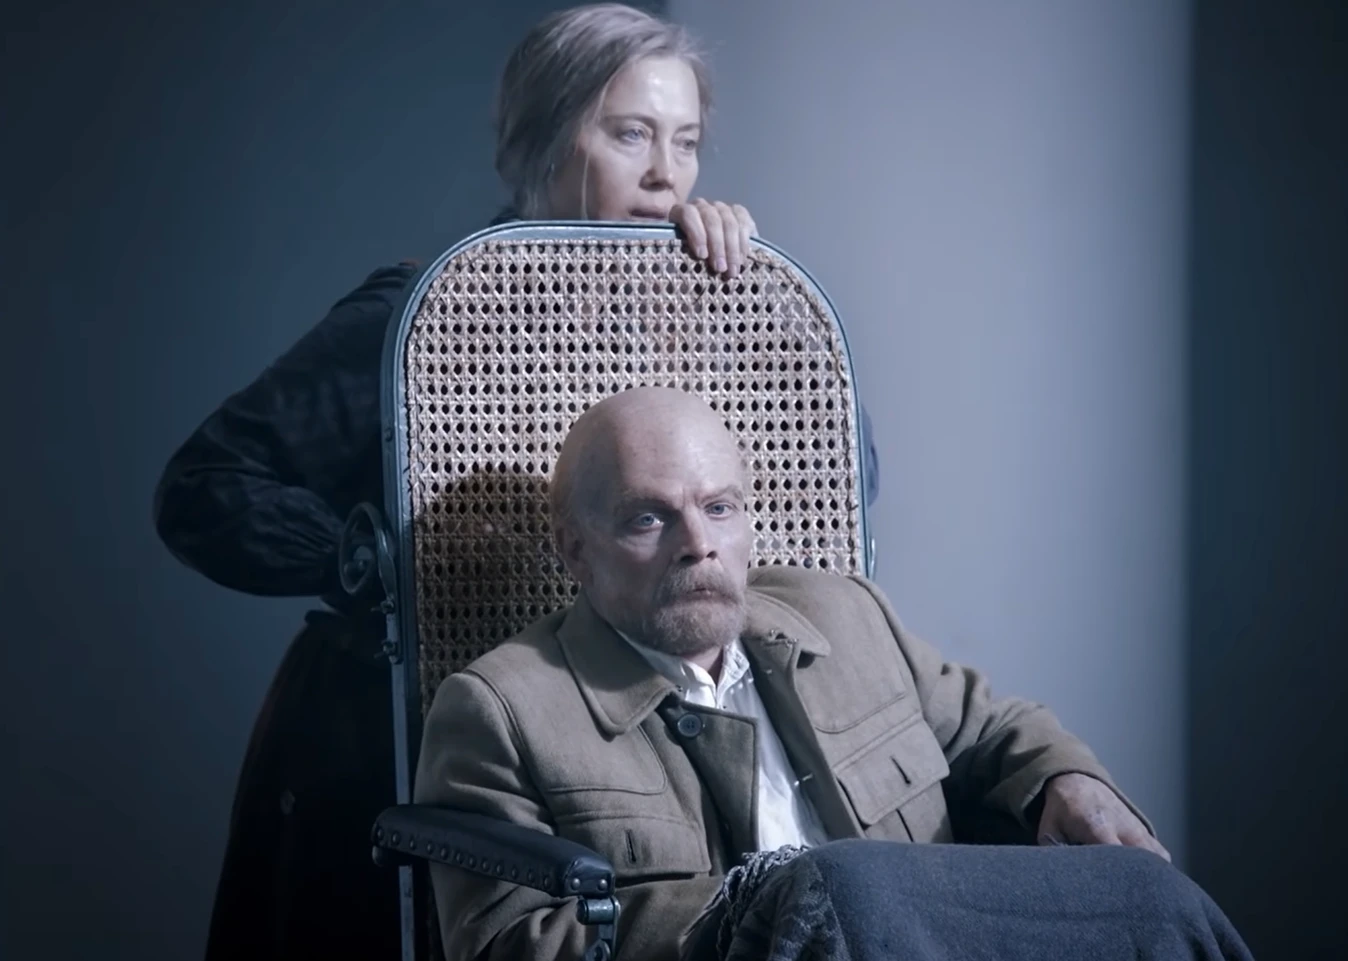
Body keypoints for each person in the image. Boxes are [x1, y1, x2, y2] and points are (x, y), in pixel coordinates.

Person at [153, 5, 877, 960]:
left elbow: (839, 483)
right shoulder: (425, 316)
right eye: (631, 135)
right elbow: (204, 486)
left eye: (687, 142)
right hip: (385, 745)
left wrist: (749, 308)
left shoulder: (703, 316)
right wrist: (389, 564)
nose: (666, 174)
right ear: (545, 138)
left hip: (595, 746)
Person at [414, 386, 1252, 961]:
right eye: (647, 518)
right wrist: (755, 904)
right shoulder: (501, 709)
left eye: (719, 507)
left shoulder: (843, 613)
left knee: (1150, 899)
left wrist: (1065, 778)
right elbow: (503, 942)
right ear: (575, 549)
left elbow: (990, 727)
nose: (698, 544)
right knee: (839, 884)